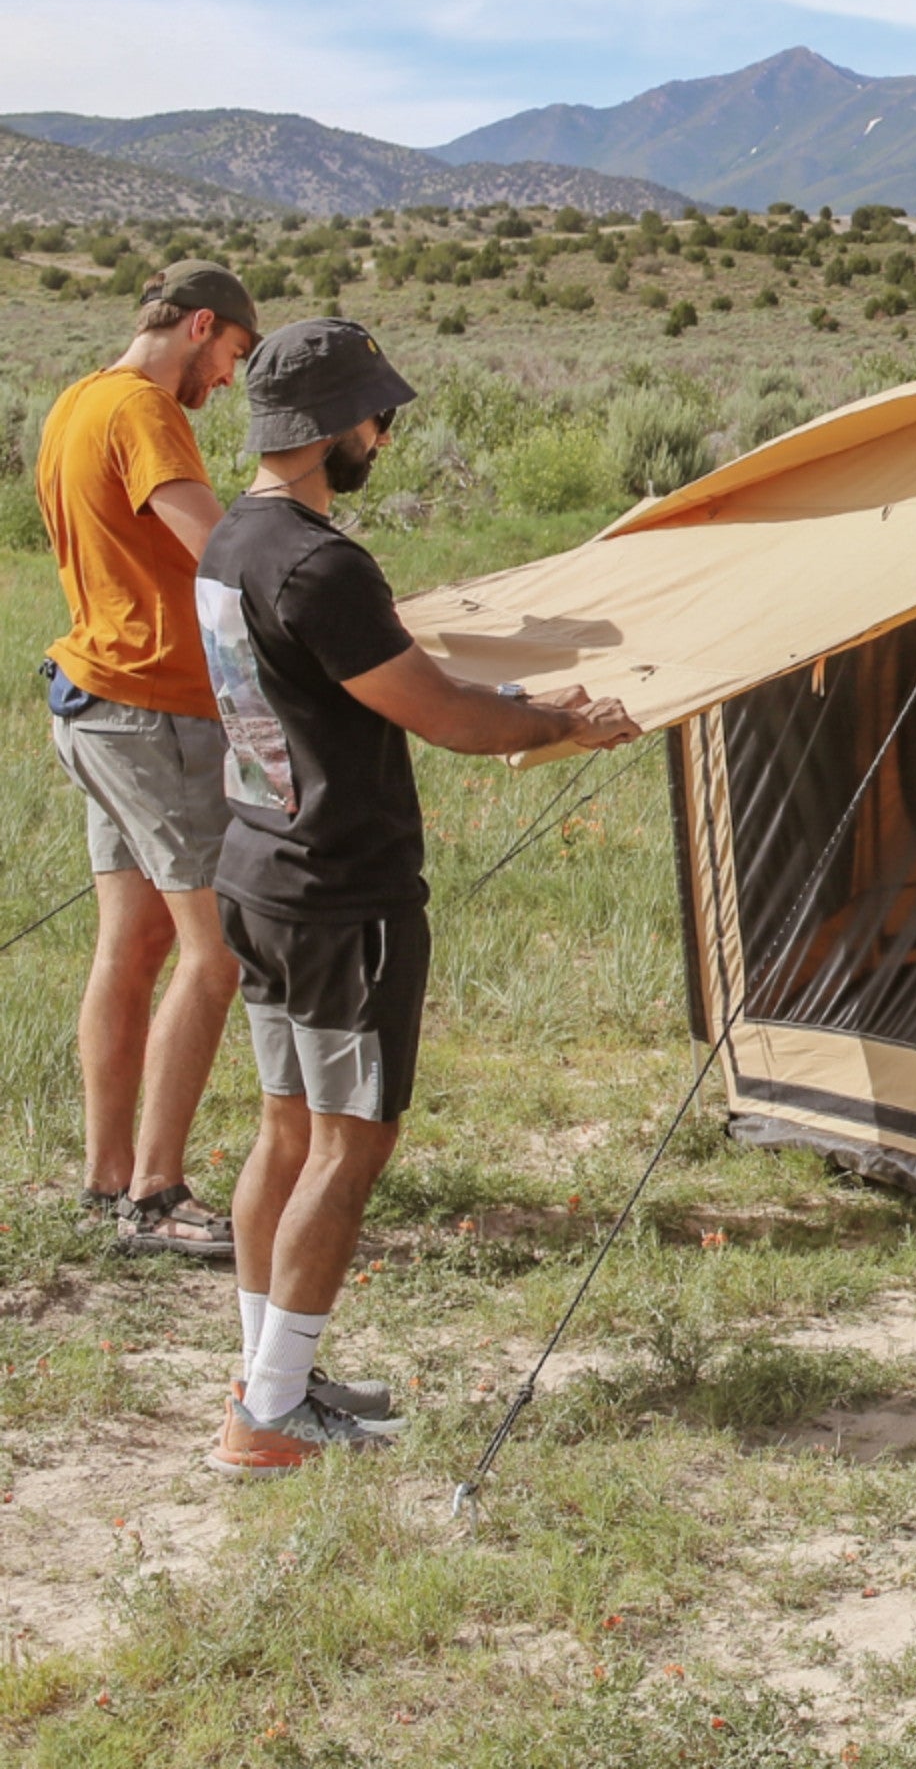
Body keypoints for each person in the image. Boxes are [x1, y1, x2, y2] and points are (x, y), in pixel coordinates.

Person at [196, 318, 639, 1475]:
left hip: (257, 871)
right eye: (376, 417)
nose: (382, 436)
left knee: (286, 1130)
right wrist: (560, 728)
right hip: (343, 896)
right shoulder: (323, 563)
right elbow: (441, 719)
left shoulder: (232, 541)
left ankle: (269, 1376)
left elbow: (384, 685)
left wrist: (513, 692)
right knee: (351, 1143)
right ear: (335, 426)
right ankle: (270, 1418)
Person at [36, 261, 259, 1256]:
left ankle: (105, 1182)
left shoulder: (74, 402)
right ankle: (158, 1197)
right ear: (200, 326)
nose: (228, 383)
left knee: (132, 946)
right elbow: (215, 546)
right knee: (216, 954)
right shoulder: (144, 410)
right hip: (156, 709)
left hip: (94, 700)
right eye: (234, 356)